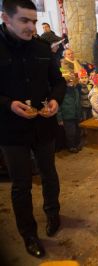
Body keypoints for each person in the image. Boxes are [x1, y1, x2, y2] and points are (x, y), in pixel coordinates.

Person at [0, 0, 66, 258]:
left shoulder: (41, 48)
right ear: (6, 18)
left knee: (49, 173)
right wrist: (8, 104)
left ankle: (53, 213)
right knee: (21, 184)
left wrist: (55, 100)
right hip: (11, 129)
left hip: (43, 124)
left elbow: (58, 82)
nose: (31, 26)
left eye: (34, 21)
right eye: (24, 21)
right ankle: (29, 234)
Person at [57, 71, 81, 153]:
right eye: (68, 81)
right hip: (67, 116)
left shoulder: (75, 90)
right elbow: (58, 107)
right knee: (70, 133)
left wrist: (79, 113)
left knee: (77, 131)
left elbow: (77, 102)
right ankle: (71, 146)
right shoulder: (62, 93)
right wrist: (59, 119)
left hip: (76, 115)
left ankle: (76, 144)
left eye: (72, 81)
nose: (71, 83)